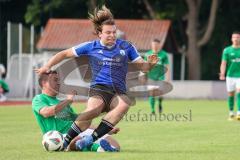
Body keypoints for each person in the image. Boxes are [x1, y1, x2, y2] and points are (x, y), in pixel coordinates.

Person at [35, 5, 158, 150]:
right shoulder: (90, 46)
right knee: (92, 109)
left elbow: (142, 67)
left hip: (118, 91)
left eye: (114, 32)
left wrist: (150, 64)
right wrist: (47, 66)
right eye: (108, 33)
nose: (112, 35)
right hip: (99, 89)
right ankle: (66, 141)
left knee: (124, 104)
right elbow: (63, 54)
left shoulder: (127, 47)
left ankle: (90, 139)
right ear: (99, 33)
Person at [32, 71, 120, 152]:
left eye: (58, 80)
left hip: (75, 132)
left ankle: (103, 148)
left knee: (115, 144)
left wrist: (106, 130)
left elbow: (80, 122)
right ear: (44, 83)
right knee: (76, 139)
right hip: (59, 137)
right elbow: (46, 112)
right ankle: (98, 148)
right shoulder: (39, 99)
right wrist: (68, 101)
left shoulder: (61, 102)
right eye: (55, 80)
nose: (58, 83)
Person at [143, 39, 170, 114]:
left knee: (160, 94)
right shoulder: (147, 54)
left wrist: (168, 78)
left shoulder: (164, 55)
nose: (154, 46)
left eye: (156, 44)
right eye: (153, 44)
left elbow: (167, 66)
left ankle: (160, 103)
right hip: (151, 77)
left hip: (160, 77)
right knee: (152, 93)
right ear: (151, 45)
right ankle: (152, 110)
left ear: (159, 45)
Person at [219, 31, 240, 121]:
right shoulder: (227, 50)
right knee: (231, 94)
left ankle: (239, 113)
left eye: (237, 37)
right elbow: (224, 63)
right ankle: (231, 113)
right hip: (230, 76)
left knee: (239, 92)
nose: (236, 39)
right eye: (234, 37)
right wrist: (222, 73)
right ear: (231, 39)